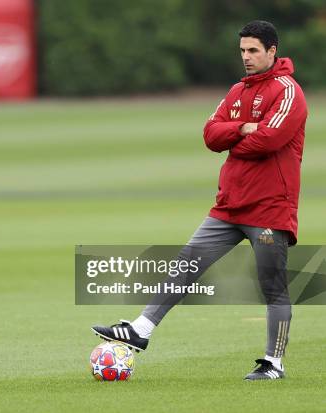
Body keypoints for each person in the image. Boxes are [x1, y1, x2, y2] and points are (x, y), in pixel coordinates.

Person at [91, 20, 308, 381]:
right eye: (243, 51)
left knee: (273, 285)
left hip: (269, 208)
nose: (247, 57)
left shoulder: (288, 91)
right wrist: (240, 128)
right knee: (186, 264)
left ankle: (274, 363)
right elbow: (210, 134)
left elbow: (268, 141)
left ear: (272, 51)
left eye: (254, 50)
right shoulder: (238, 90)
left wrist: (235, 140)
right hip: (229, 205)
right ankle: (141, 330)